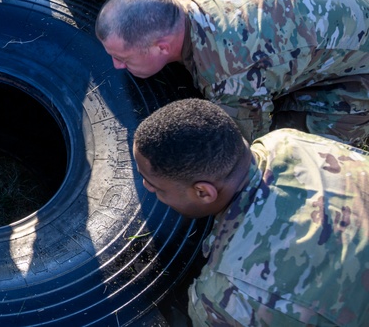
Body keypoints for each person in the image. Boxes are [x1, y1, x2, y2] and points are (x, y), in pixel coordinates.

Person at [133, 98, 369, 327]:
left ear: (204, 192)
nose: (147, 187)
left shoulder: (230, 295)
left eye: (156, 186)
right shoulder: (285, 141)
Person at [95, 0, 369, 144]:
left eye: (123, 58)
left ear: (162, 46)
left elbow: (241, 147)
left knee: (288, 149)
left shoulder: (229, 73)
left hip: (358, 67)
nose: (116, 65)